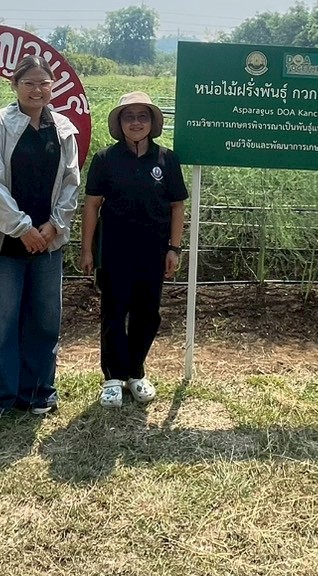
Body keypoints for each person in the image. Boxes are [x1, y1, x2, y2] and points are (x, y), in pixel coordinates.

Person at [0, 55, 83, 423]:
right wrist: (22, 228)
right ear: (14, 85)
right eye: (29, 83)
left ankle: (38, 392)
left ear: (53, 86)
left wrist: (54, 226)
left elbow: (71, 182)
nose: (37, 90)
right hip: (4, 240)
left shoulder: (63, 129)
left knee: (44, 319)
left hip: (47, 240)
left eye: (44, 83)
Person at [78, 92, 188, 408]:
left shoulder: (167, 159)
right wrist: (87, 250)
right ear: (119, 123)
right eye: (129, 116)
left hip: (153, 252)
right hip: (113, 251)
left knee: (147, 314)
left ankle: (136, 373)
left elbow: (177, 206)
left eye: (143, 116)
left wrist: (174, 248)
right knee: (113, 313)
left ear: (152, 122)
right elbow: (92, 206)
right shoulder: (105, 159)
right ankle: (113, 378)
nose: (136, 123)